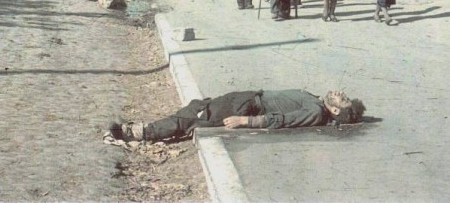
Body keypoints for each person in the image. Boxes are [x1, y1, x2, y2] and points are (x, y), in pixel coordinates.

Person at [108, 89, 366, 143]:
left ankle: (137, 132)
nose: (341, 92)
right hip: (245, 100)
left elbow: (282, 120)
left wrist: (246, 121)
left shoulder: (315, 111)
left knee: (191, 118)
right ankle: (144, 130)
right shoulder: (317, 101)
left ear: (335, 110)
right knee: (199, 108)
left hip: (247, 108)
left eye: (342, 99)